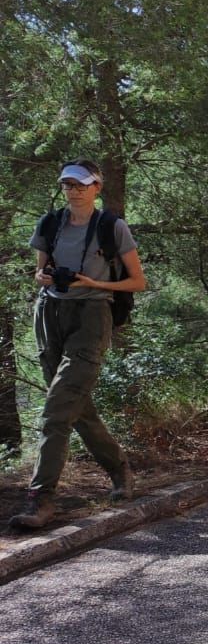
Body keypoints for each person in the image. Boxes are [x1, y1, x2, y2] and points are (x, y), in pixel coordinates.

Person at [10, 160, 147, 529]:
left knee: (55, 411)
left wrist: (94, 283)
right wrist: (47, 277)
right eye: (67, 185)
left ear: (96, 187)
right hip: (50, 314)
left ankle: (40, 500)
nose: (73, 190)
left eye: (81, 184)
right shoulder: (50, 223)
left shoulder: (111, 227)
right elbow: (40, 273)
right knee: (76, 406)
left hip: (91, 315)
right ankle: (120, 469)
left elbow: (137, 282)